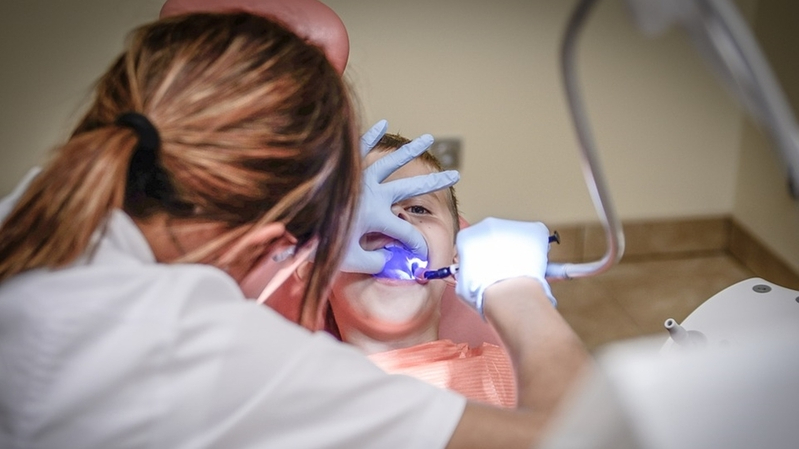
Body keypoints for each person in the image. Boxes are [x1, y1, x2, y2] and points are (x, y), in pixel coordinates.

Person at [0, 9, 589, 449]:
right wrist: (516, 289)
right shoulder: (249, 363)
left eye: (417, 209)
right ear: (290, 249)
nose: (392, 227)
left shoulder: (41, 208)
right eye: (346, 208)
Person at [324, 133, 517, 408]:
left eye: (418, 208)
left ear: (456, 257)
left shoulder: (507, 375)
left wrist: (527, 301)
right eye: (360, 209)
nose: (394, 220)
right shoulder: (293, 396)